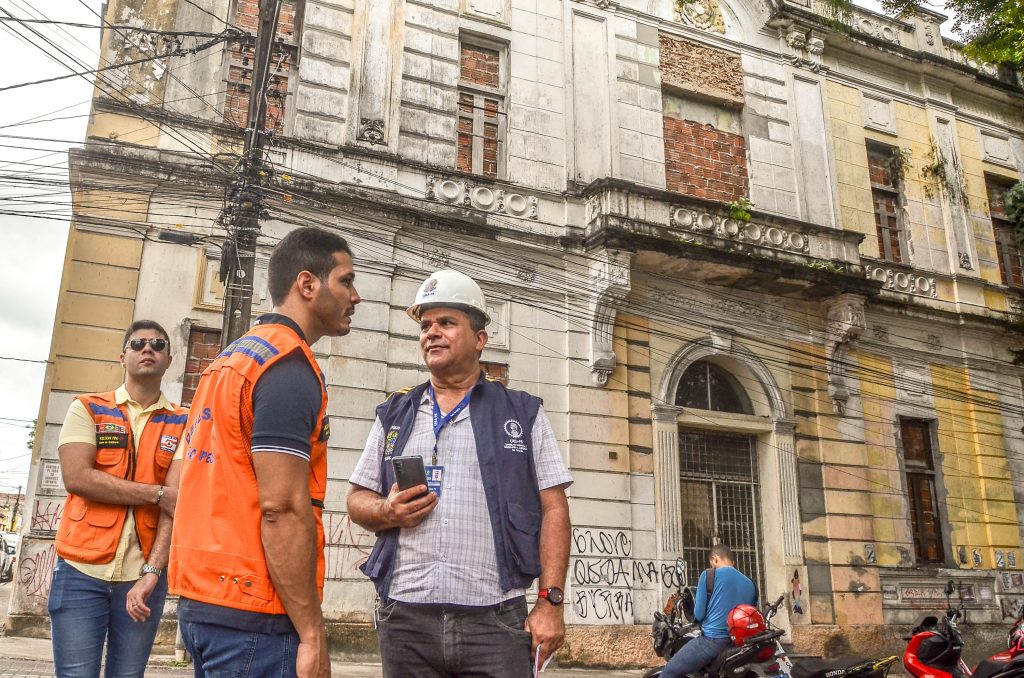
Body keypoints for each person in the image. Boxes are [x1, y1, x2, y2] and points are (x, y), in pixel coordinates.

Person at [347, 269, 573, 678]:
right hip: (405, 620)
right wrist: (387, 511)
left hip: (495, 622)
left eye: (446, 323)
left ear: (480, 339)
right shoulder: (395, 413)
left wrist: (550, 602)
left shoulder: (522, 414)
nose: (432, 333)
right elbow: (357, 499)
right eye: (425, 326)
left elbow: (554, 509)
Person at [168, 227, 360, 678]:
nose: (355, 297)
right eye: (347, 281)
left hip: (205, 602)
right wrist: (312, 632)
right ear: (307, 284)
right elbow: (282, 508)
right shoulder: (286, 367)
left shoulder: (228, 362)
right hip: (256, 613)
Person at [50, 320, 186, 677]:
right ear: (122, 357)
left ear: (169, 360)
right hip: (80, 571)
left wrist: (153, 572)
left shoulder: (183, 422)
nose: (148, 349)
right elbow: (77, 478)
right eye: (138, 343)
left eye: (158, 344)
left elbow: (176, 505)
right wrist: (156, 493)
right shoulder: (88, 408)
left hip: (143, 577)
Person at [662, 544, 757, 678]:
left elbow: (699, 615)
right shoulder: (750, 583)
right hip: (740, 644)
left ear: (715, 559)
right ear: (733, 562)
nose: (712, 566)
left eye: (712, 563)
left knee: (668, 672)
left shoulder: (708, 575)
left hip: (713, 641)